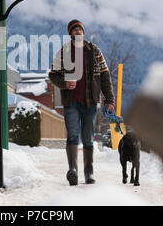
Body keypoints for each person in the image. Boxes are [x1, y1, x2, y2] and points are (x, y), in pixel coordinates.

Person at [49, 19, 115, 185]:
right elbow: (53, 74)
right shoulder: (63, 52)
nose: (78, 32)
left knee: (88, 138)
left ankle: (88, 172)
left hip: (90, 102)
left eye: (80, 29)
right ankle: (73, 170)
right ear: (70, 33)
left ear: (83, 32)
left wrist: (109, 99)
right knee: (72, 135)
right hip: (71, 102)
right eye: (74, 30)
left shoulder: (94, 50)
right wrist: (64, 83)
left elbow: (105, 76)